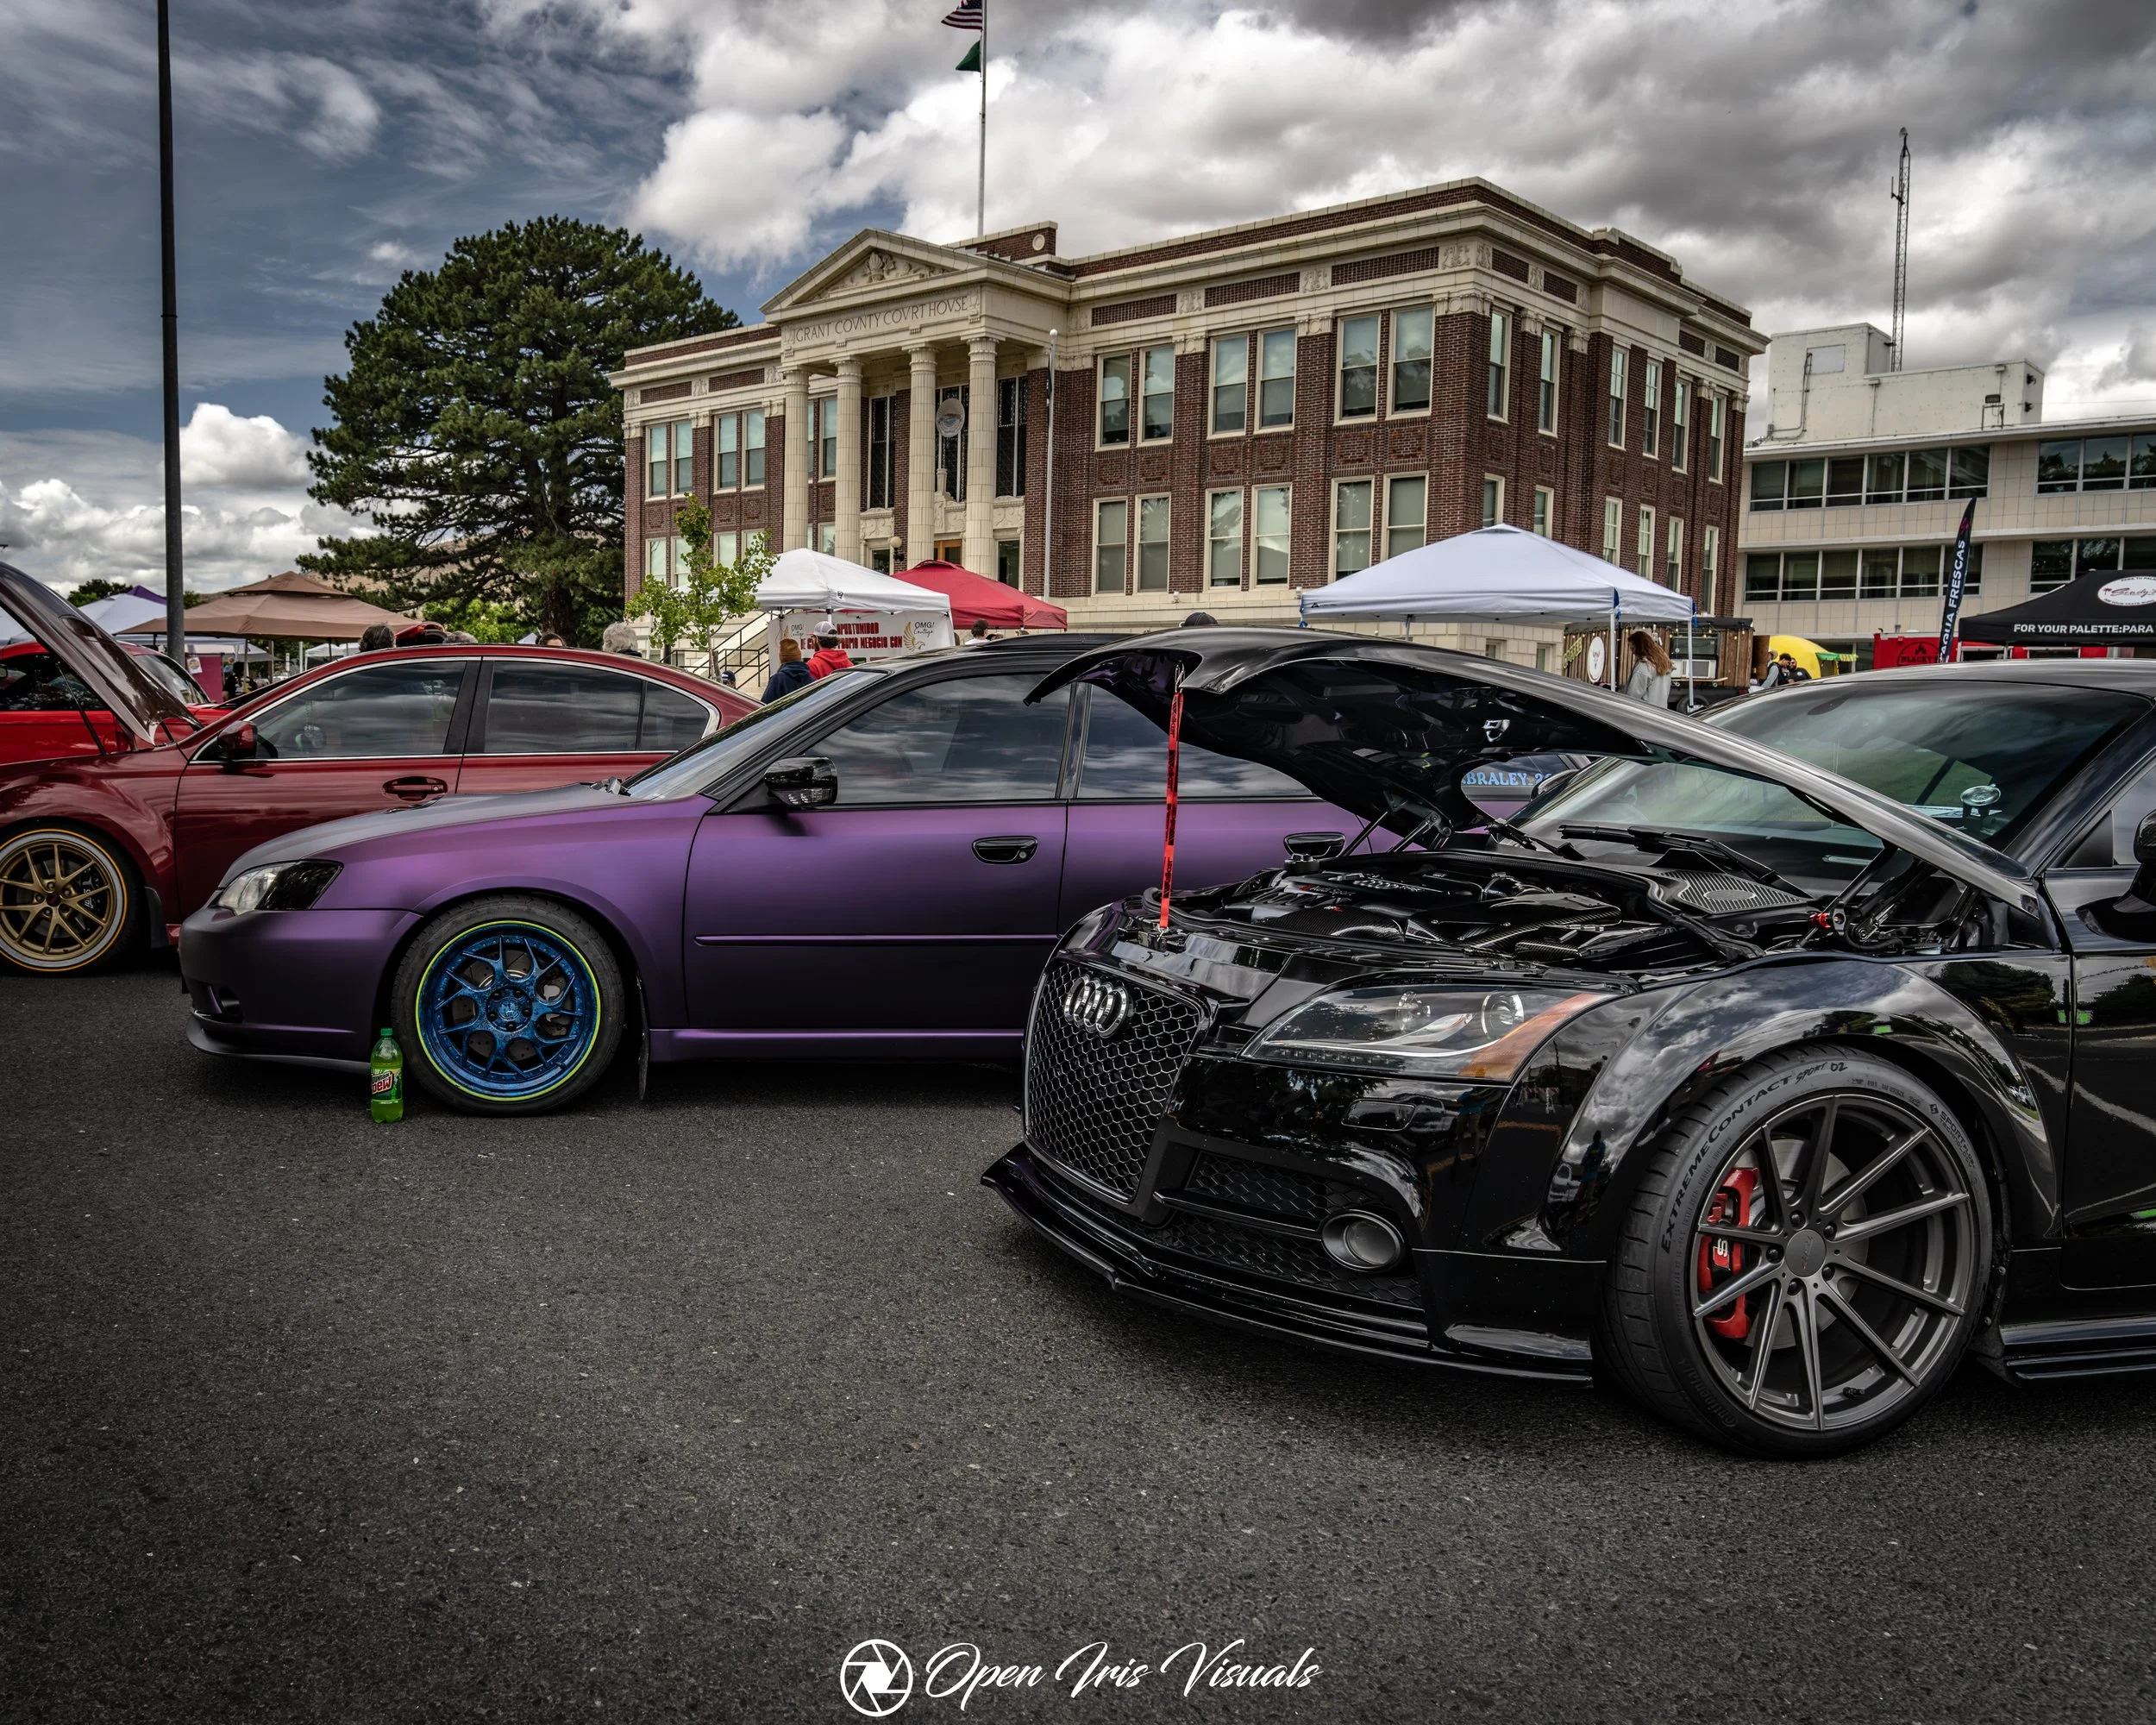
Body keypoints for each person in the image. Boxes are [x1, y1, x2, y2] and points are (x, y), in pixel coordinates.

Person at [1623, 630, 1673, 708]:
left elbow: (1633, 695)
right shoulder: (1663, 663)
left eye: (1633, 649)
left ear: (1640, 648)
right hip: (1661, 711)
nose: (1633, 653)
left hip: (1644, 712)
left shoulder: (1644, 666)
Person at [763, 637, 815, 702]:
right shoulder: (811, 679)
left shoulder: (778, 680)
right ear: (799, 657)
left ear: (781, 658)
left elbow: (765, 707)